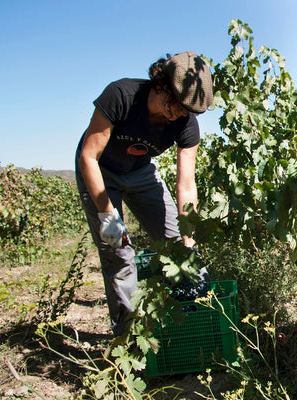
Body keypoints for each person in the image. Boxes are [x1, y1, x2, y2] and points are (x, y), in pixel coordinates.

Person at [75, 51, 213, 335]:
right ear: (161, 84)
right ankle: (129, 338)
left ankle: (197, 325)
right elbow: (88, 157)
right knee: (118, 252)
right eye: (178, 104)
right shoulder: (121, 96)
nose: (182, 113)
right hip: (101, 171)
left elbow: (186, 185)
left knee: (179, 242)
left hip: (140, 172)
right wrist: (108, 216)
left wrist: (190, 239)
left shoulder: (185, 123)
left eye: (190, 109)